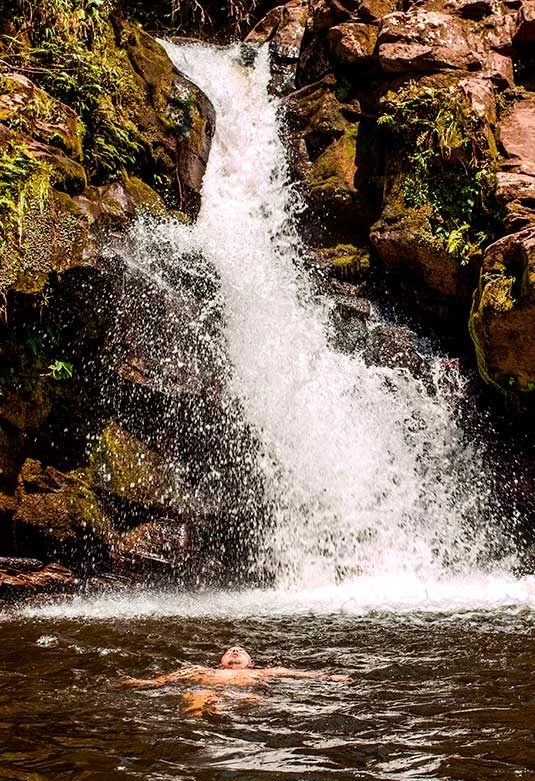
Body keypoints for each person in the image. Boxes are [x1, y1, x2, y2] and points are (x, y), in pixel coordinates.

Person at [116, 645, 350, 716]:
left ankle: (220, 714)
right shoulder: (204, 671)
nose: (235, 652)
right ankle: (207, 717)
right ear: (220, 662)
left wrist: (329, 678)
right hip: (210, 691)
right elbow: (164, 680)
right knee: (201, 697)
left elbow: (297, 675)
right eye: (229, 651)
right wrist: (139, 683)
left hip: (248, 695)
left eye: (240, 651)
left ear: (251, 662)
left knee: (254, 698)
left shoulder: (262, 673)